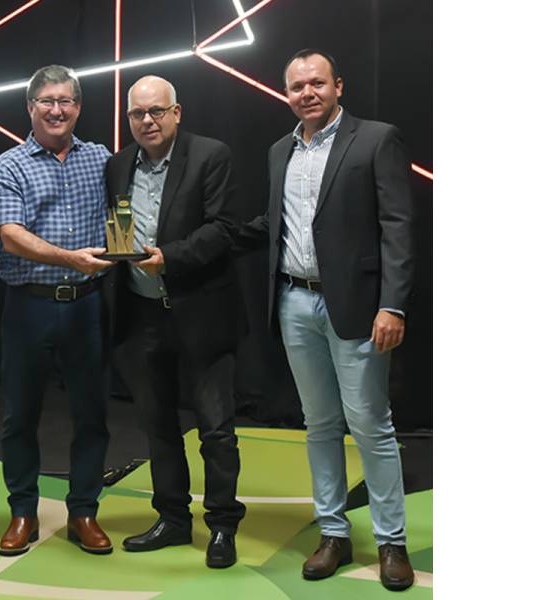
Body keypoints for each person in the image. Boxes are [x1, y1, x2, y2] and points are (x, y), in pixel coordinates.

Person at [235, 49, 416, 591]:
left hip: (360, 306)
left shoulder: (376, 140)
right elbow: (276, 223)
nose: (307, 93)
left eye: (317, 83)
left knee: (371, 425)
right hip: (293, 302)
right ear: (286, 93)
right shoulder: (279, 151)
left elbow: (398, 226)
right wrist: (205, 239)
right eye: (297, 86)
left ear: (339, 86)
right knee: (319, 425)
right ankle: (333, 533)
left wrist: (393, 304)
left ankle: (391, 542)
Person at [106, 76, 246, 568]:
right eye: (137, 114)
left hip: (200, 312)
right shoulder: (117, 164)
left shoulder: (211, 155)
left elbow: (224, 228)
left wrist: (170, 257)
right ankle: (172, 518)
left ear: (177, 112)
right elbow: (118, 225)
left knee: (216, 430)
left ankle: (223, 524)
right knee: (158, 426)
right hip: (141, 314)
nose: (147, 121)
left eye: (156, 111)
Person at [0, 65, 114, 557]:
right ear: (30, 107)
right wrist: (70, 258)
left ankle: (84, 511)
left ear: (78, 107)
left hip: (88, 306)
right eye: (47, 101)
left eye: (65, 101)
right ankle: (23, 511)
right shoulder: (8, 165)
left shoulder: (101, 159)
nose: (56, 110)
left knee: (92, 415)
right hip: (29, 306)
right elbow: (10, 236)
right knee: (20, 416)